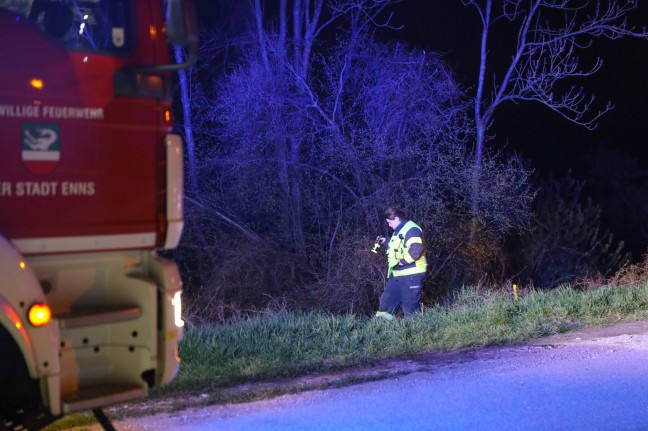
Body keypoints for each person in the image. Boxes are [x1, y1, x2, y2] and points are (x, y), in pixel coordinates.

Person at [374, 207, 427, 320]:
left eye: (390, 222)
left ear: (397, 218)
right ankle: (381, 329)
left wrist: (403, 261)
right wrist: (386, 242)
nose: (389, 225)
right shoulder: (399, 231)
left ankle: (416, 334)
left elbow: (416, 249)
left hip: (411, 273)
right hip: (399, 274)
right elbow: (398, 248)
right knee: (387, 301)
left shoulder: (411, 229)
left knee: (410, 307)